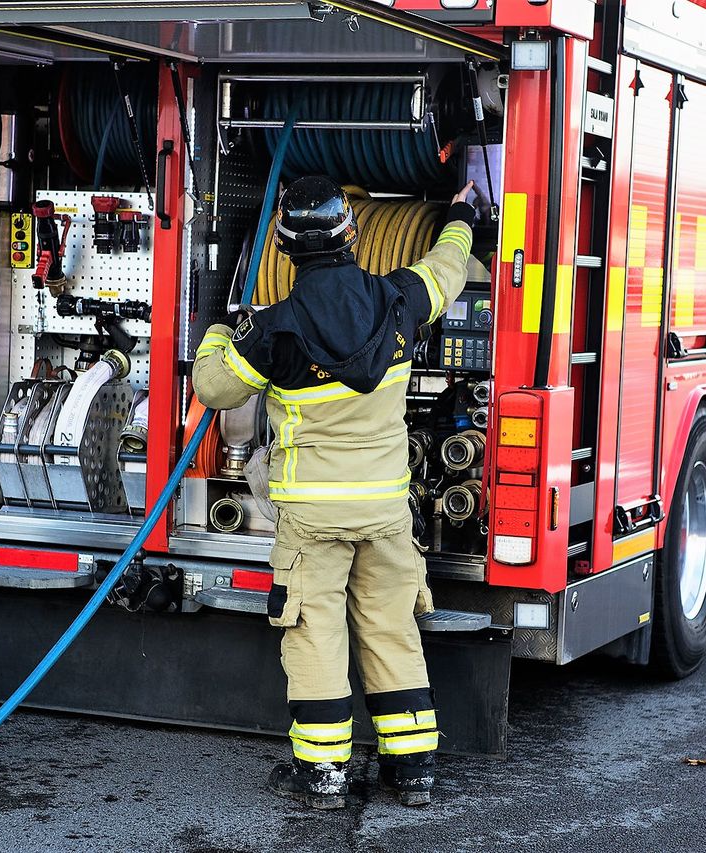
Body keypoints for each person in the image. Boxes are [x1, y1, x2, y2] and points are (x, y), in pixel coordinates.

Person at [192, 176, 476, 809]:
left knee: (314, 630)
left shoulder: (275, 330)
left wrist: (219, 331)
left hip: (313, 516)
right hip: (384, 510)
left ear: (287, 248)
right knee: (390, 627)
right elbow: (449, 266)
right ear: (351, 234)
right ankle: (412, 770)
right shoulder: (399, 297)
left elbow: (214, 389)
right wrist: (459, 217)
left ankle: (322, 774)